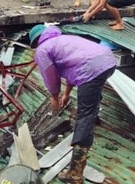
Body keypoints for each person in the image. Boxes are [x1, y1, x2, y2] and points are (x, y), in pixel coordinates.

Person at [29, 24, 116, 184]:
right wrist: (67, 93)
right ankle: (94, 115)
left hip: (91, 68)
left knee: (84, 116)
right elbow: (74, 67)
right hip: (108, 61)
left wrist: (54, 96)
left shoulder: (42, 50)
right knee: (93, 89)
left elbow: (50, 77)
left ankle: (75, 174)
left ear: (35, 42)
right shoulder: (63, 39)